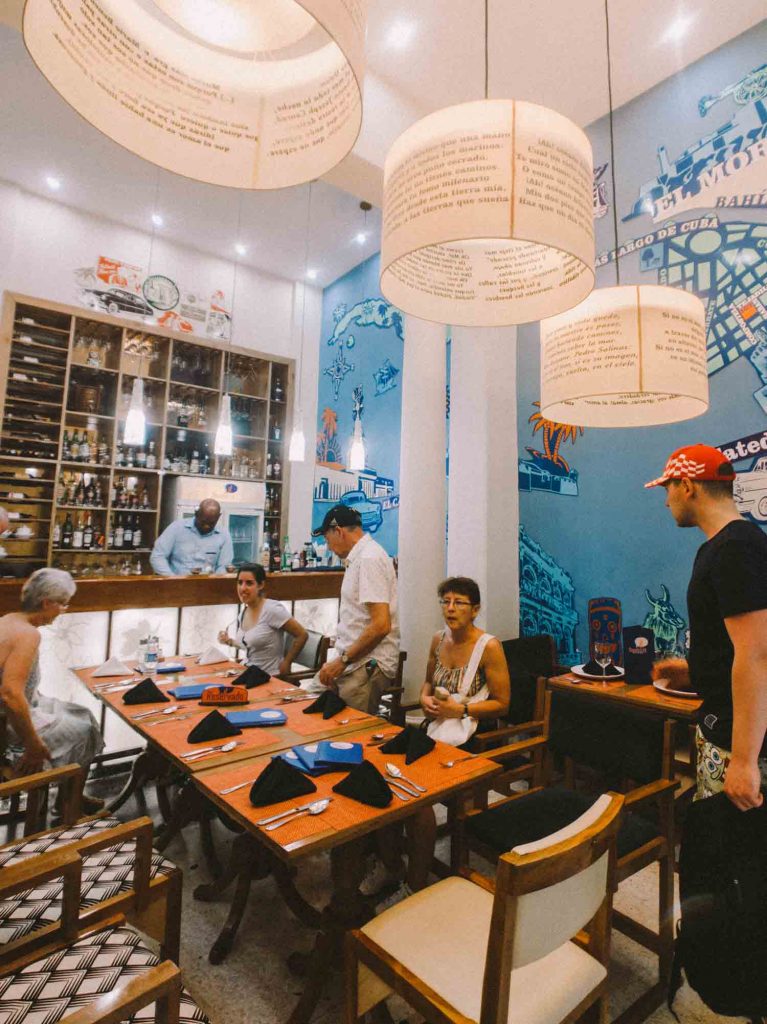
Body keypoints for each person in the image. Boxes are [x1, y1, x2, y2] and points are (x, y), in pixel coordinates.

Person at [646, 443, 767, 810]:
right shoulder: (722, 546)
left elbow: (758, 654)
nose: (666, 501)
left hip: (738, 739)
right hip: (723, 725)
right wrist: (693, 669)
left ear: (687, 485)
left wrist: (744, 762)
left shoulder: (736, 548)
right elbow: (736, 646)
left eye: (667, 489)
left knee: (726, 857)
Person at [0, 568, 104, 809]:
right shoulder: (28, 635)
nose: (64, 610)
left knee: (82, 713)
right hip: (6, 725)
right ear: (46, 603)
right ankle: (70, 803)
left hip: (23, 706)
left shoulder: (9, 619)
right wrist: (34, 745)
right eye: (63, 604)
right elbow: (10, 694)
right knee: (83, 729)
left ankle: (70, 796)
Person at [312, 504, 400, 714]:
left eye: (327, 539)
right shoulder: (360, 558)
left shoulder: (369, 559)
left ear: (339, 532)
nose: (329, 546)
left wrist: (342, 661)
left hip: (366, 665)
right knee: (307, 703)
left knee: (348, 734)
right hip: (351, 660)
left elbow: (381, 625)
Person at [420, 576, 511, 737]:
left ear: (475, 610)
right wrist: (424, 698)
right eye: (445, 601)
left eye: (459, 602)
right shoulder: (438, 640)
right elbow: (428, 682)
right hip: (438, 728)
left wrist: (461, 710)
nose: (450, 608)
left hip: (476, 735)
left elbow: (502, 704)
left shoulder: (489, 647)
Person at [218, 563, 308, 676]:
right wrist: (229, 641)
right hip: (249, 672)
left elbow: (302, 634)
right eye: (240, 582)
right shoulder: (244, 612)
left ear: (261, 585)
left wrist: (287, 662)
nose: (243, 588)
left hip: (269, 677)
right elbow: (252, 645)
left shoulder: (272, 609)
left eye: (249, 583)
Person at [150, 499, 233, 576]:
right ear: (196, 514)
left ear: (218, 517)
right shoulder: (176, 528)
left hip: (207, 586)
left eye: (211, 523)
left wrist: (213, 583)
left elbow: (224, 566)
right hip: (176, 584)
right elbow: (158, 556)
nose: (206, 526)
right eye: (203, 522)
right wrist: (172, 579)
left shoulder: (224, 535)